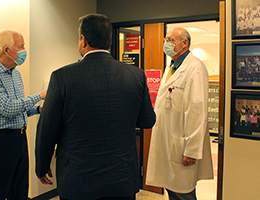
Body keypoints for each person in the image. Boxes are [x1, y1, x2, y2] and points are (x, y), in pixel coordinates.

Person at [35, 13, 156, 200]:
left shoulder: (62, 77)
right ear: (109, 40)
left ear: (83, 40)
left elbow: (47, 130)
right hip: (121, 179)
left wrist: (42, 166)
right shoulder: (135, 75)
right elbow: (148, 120)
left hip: (78, 180)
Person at [0, 29, 47, 200]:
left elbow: (17, 108)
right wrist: (40, 95)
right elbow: (7, 109)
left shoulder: (16, 74)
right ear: (7, 50)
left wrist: (37, 109)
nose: (24, 50)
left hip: (18, 138)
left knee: (20, 191)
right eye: (21, 46)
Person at [146, 27, 213, 200]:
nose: (166, 44)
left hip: (182, 147)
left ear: (185, 43)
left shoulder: (195, 68)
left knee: (184, 193)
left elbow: (197, 114)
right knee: (172, 190)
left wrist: (191, 150)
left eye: (171, 40)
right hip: (168, 143)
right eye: (166, 39)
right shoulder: (172, 67)